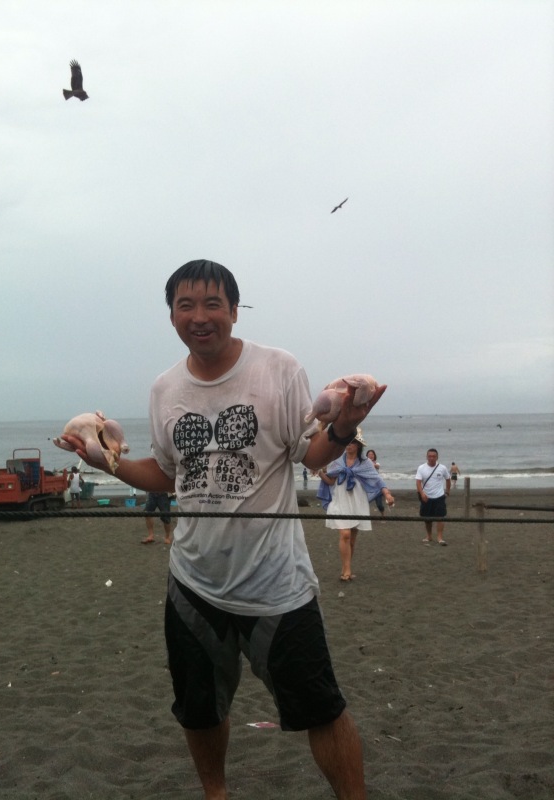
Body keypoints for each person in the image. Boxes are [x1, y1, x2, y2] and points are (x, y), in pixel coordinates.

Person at [62, 259, 387, 800]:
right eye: (185, 305)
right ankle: (216, 794)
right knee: (200, 711)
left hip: (277, 584)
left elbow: (309, 455)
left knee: (322, 709)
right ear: (171, 315)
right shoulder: (165, 389)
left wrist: (345, 426)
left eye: (213, 304)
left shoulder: (279, 369)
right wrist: (107, 463)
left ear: (235, 310)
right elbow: (167, 476)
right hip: (194, 582)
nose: (199, 316)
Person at [318, 431, 394, 580]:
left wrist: (387, 494)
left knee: (351, 539)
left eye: (352, 442)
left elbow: (377, 480)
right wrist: (320, 472)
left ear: (358, 446)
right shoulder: (338, 461)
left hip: (357, 502)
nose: (348, 445)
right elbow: (331, 481)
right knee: (345, 534)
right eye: (347, 442)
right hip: (340, 501)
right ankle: (346, 571)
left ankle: (346, 568)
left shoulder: (365, 463)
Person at [416, 449, 451, 546]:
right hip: (426, 496)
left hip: (439, 496)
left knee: (440, 517)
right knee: (427, 518)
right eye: (430, 456)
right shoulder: (421, 468)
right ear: (427, 457)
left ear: (437, 457)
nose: (431, 458)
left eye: (434, 456)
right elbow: (418, 482)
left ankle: (440, 537)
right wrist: (422, 493)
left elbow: (448, 479)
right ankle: (429, 536)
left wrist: (447, 492)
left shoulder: (442, 468)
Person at [365, 449, 386, 516]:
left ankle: (383, 515)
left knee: (379, 504)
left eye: (372, 454)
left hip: (377, 487)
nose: (371, 456)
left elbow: (377, 466)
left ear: (374, 456)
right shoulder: (364, 464)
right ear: (367, 456)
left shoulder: (377, 463)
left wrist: (369, 463)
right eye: (369, 454)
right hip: (368, 487)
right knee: (365, 502)